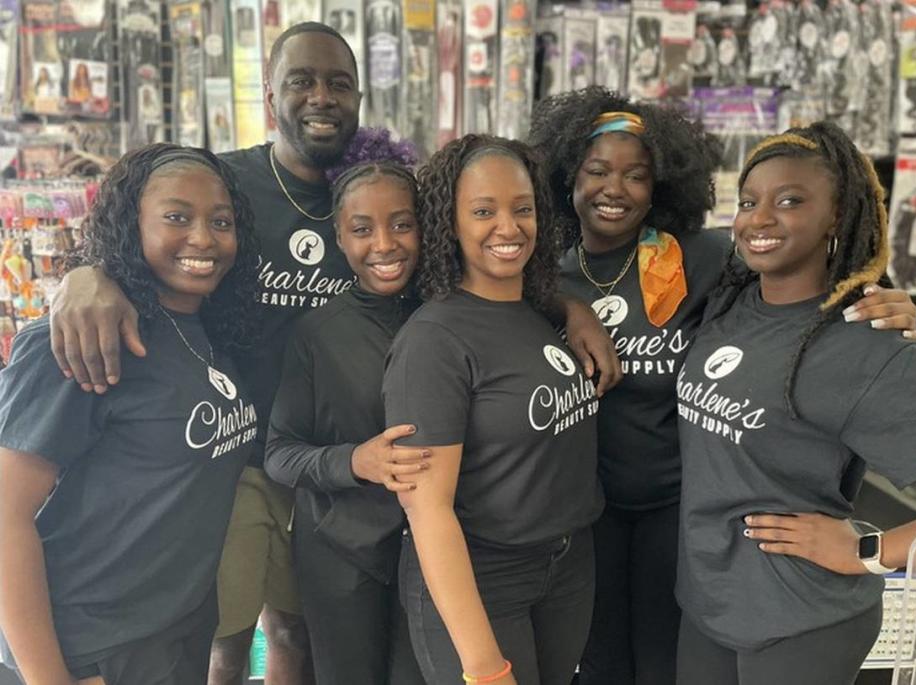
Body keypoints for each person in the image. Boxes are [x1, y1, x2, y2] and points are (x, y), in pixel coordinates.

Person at [48, 23, 617, 684]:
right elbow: (144, 220)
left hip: (424, 530)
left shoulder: (429, 292)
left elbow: (501, 269)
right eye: (301, 81)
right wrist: (86, 272)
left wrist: (569, 304)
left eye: (337, 83)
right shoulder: (230, 187)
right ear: (269, 95)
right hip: (268, 475)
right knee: (248, 638)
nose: (384, 242)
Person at [527, 86, 916, 685]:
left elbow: (804, 264)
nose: (615, 188)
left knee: (665, 662)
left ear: (661, 186)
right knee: (601, 663)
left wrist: (882, 296)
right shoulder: (541, 271)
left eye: (637, 175)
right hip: (588, 507)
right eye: (597, 171)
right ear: (565, 176)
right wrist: (568, 306)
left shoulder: (701, 258)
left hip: (680, 507)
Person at [674, 121, 916, 685]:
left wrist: (872, 550)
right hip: (707, 606)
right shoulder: (731, 300)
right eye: (749, 202)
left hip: (800, 621)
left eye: (790, 201)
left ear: (837, 215)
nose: (759, 218)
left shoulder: (863, 344)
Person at [0, 143, 259, 685]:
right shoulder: (81, 340)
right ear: (129, 223)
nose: (203, 238)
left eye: (220, 220)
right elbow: (5, 517)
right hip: (92, 651)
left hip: (174, 635)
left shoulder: (209, 332)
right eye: (176, 217)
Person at [383, 135, 605, 685]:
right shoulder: (433, 341)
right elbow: (427, 511)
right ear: (449, 224)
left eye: (522, 209)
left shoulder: (535, 312)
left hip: (566, 568)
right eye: (483, 211)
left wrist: (573, 308)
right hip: (482, 580)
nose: (508, 228)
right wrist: (482, 665)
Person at [266, 161, 425, 685]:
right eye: (362, 229)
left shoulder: (446, 317)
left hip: (430, 554)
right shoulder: (315, 333)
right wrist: (355, 461)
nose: (384, 244)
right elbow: (280, 452)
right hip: (342, 555)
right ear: (339, 236)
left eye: (401, 224)